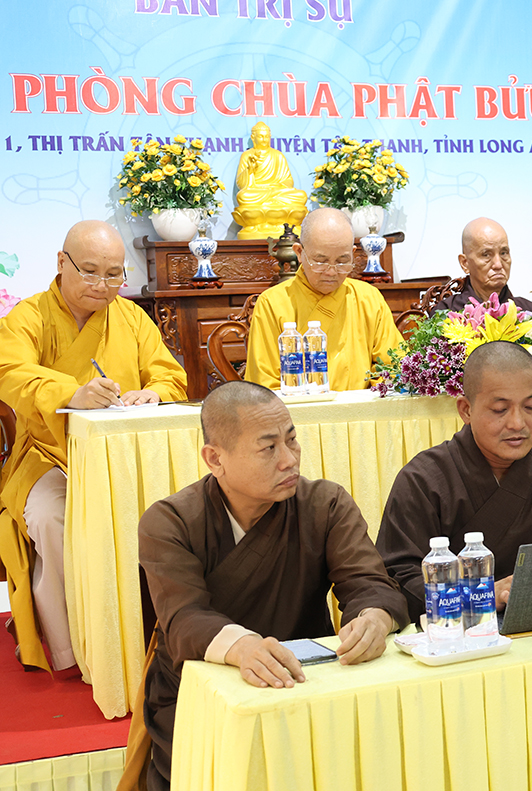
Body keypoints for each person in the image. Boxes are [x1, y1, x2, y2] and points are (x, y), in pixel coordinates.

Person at [137, 381, 408, 790]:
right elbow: (184, 617)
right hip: (202, 697)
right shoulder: (170, 521)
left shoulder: (325, 504)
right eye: (268, 448)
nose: (289, 460)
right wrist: (243, 646)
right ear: (215, 458)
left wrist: (375, 617)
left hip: (307, 682)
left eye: (292, 440)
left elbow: (369, 581)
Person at [0, 221, 187, 673]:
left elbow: (170, 375)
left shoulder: (131, 318)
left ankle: (152, 631)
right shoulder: (29, 316)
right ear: (61, 263)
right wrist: (71, 393)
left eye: (113, 274)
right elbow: (8, 371)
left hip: (124, 458)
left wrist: (153, 393)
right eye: (90, 272)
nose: (102, 285)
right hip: (47, 455)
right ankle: (74, 649)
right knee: (52, 517)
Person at [377, 341, 532, 616]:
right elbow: (398, 580)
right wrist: (479, 595)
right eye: (500, 410)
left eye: (530, 406)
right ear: (466, 409)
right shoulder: (423, 481)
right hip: (458, 634)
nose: (517, 423)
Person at [245, 207, 399, 391]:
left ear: (353, 253)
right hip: (297, 409)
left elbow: (392, 369)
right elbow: (264, 386)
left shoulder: (369, 298)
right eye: (320, 261)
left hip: (360, 406)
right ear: (299, 252)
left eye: (342, 261)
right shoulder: (271, 303)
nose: (331, 271)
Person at [434, 217, 532, 313]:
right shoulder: (446, 313)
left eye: (503, 253)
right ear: (465, 263)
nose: (498, 265)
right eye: (486, 255)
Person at [231, 121, 308, 239]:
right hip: (257, 192)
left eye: (267, 136)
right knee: (243, 196)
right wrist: (250, 169)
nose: (264, 139)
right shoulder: (247, 155)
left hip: (277, 191)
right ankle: (265, 220)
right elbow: (241, 185)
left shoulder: (278, 155)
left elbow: (288, 180)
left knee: (301, 195)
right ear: (253, 137)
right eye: (261, 136)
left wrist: (278, 186)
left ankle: (276, 221)